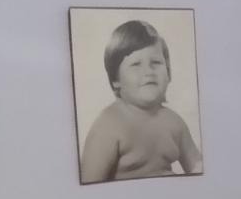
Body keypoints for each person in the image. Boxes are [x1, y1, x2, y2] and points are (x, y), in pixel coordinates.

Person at [79, 20, 202, 182]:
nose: (148, 71)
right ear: (116, 79)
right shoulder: (109, 124)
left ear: (168, 72)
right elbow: (89, 181)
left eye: (156, 62)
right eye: (136, 64)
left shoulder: (174, 122)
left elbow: (198, 167)